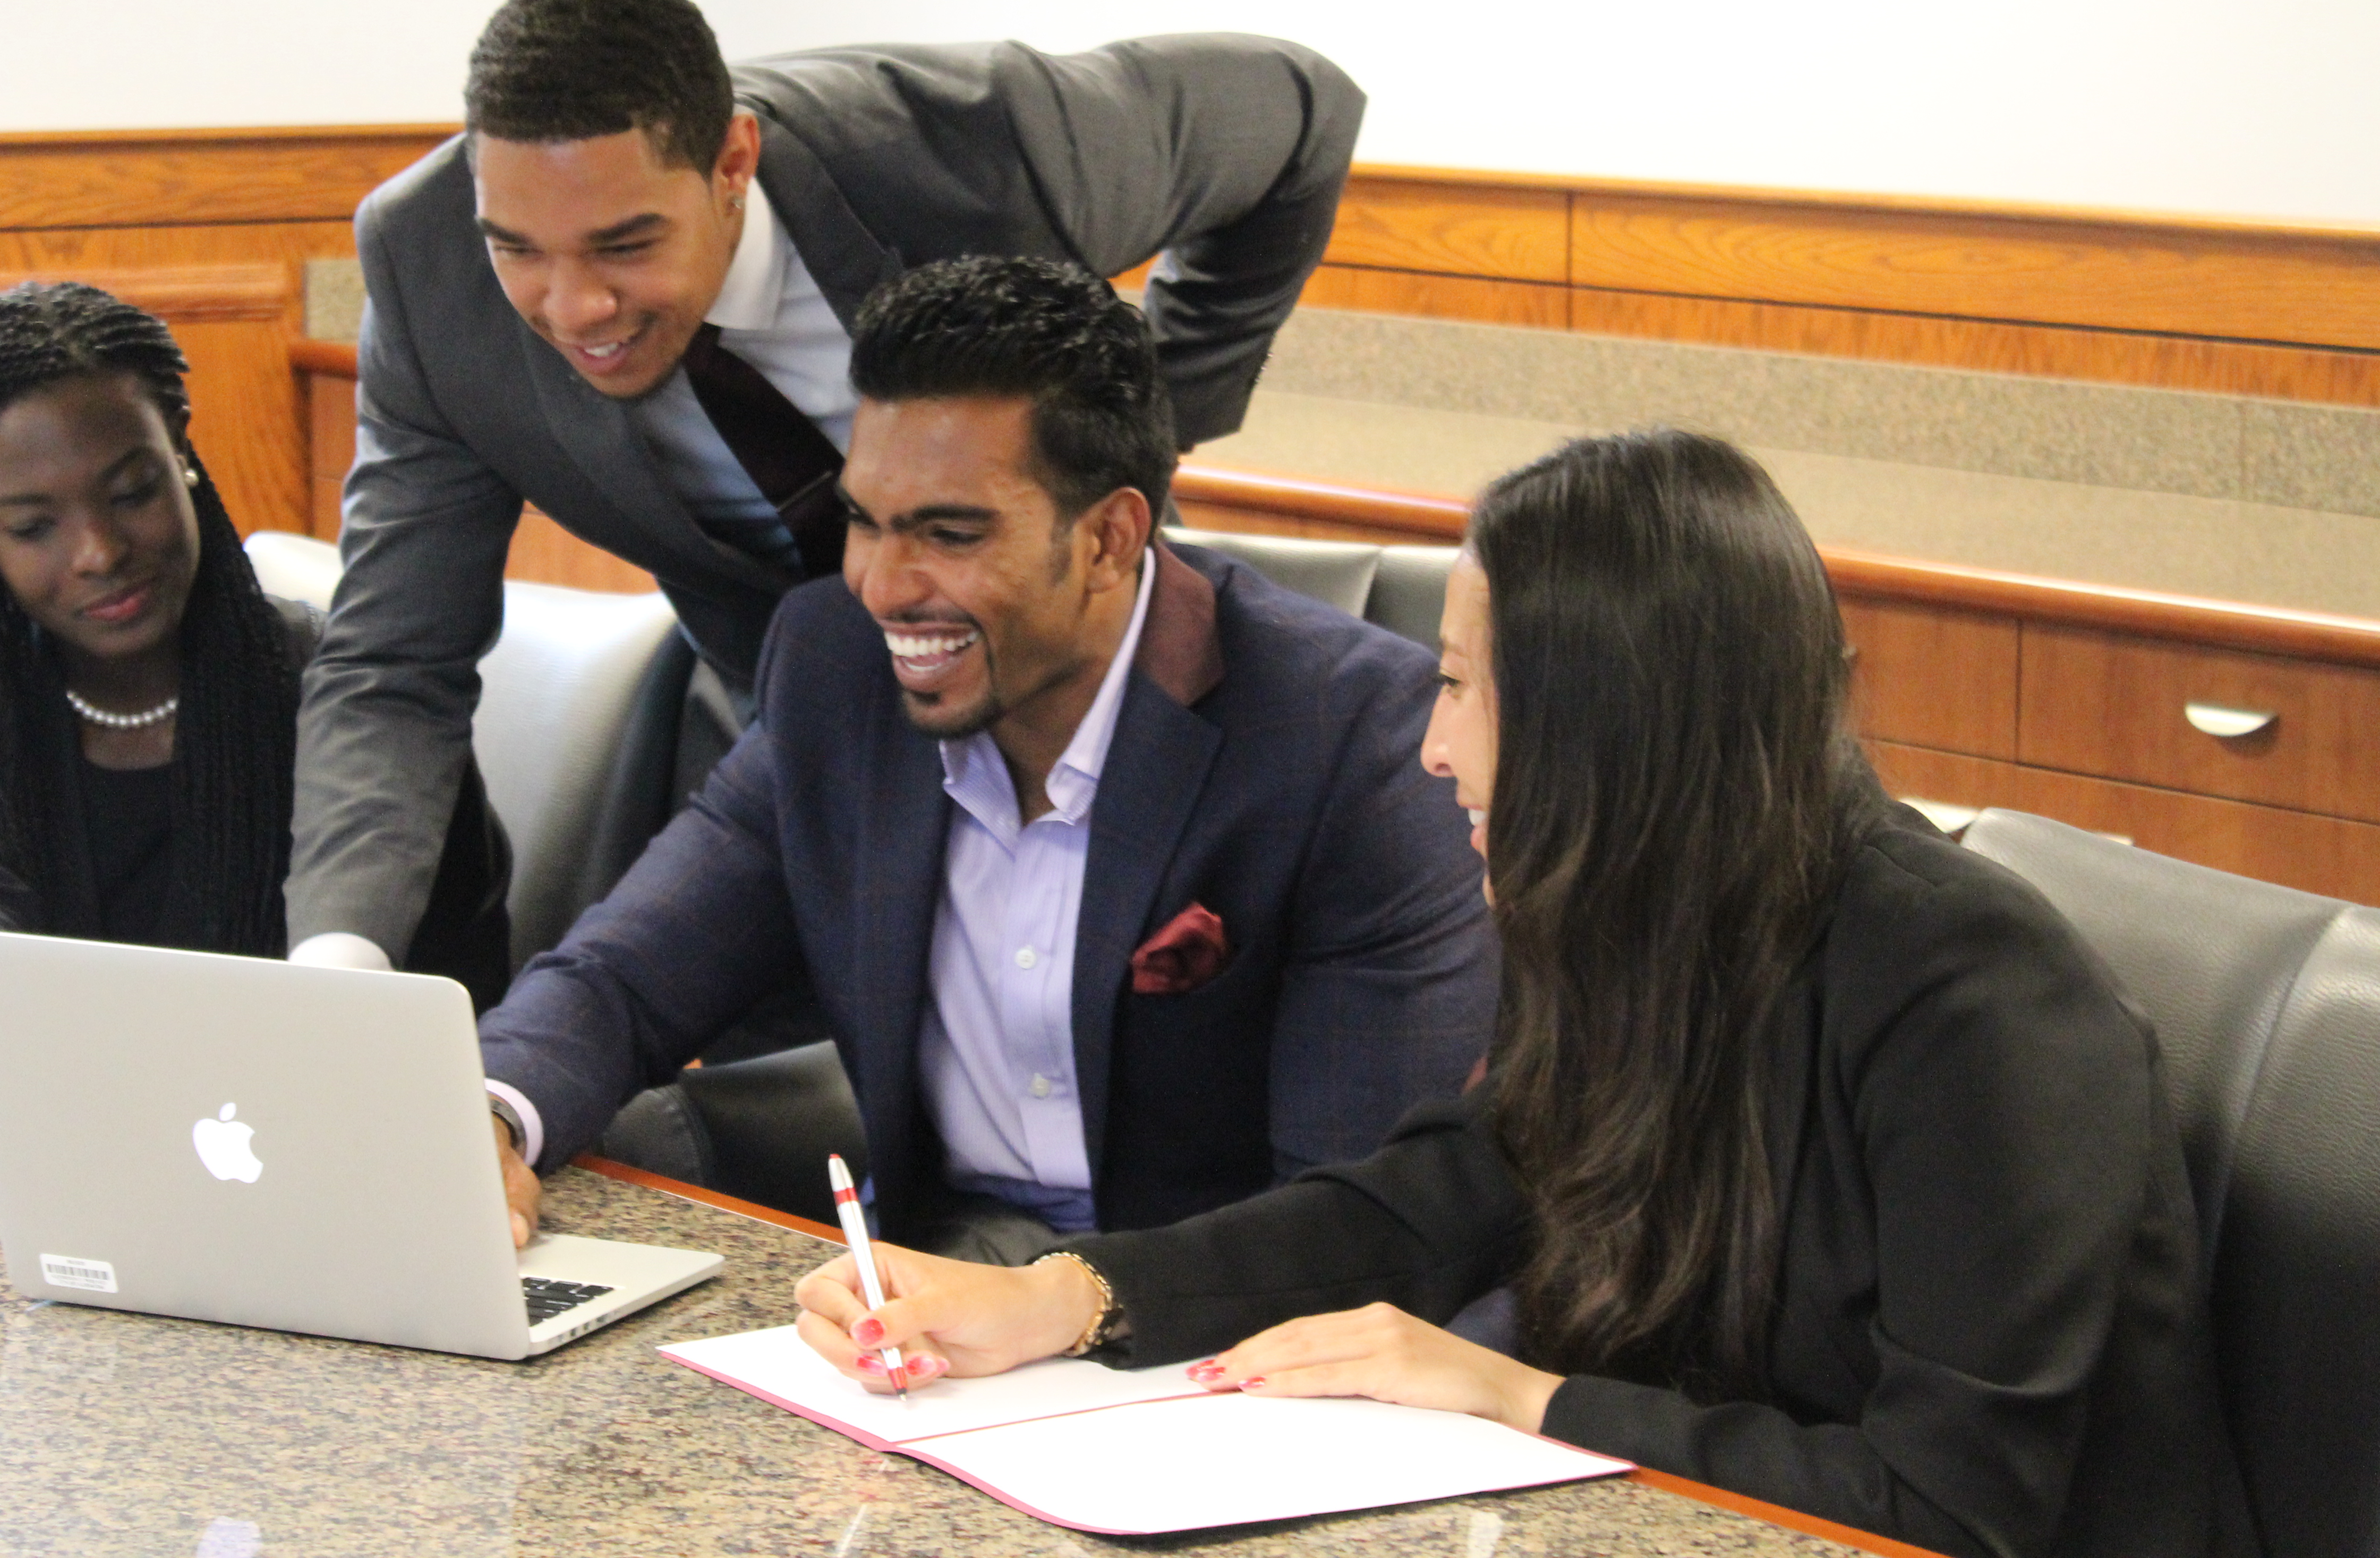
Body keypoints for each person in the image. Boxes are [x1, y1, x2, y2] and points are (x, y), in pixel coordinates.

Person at [794, 430, 2250, 1558]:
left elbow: (1951, 1507)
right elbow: (1440, 1198)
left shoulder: (1971, 1002)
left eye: (1466, 690)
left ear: (1608, 731)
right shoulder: (1645, 915)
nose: (1434, 751)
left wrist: (1520, 1400)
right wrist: (1069, 1294)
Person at [287, 0, 1366, 980]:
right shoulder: (427, 271)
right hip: (797, 741)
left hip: (1082, 710)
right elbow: (393, 660)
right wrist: (338, 964)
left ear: (733, 166)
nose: (572, 309)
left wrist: (1147, 420)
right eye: (518, 249)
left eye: (624, 245)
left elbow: (1302, 112)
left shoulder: (987, 143)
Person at [480, 256, 1496, 1261]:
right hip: (921, 1281)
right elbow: (629, 976)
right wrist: (487, 1120)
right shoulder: (834, 668)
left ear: (1108, 540)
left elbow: (1352, 1226)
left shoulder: (1354, 748)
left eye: (950, 535)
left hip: (1212, 1322)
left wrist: (1057, 1314)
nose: (883, 586)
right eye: (865, 523)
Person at [0, 283, 513, 1108]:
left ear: (184, 457)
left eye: (133, 492)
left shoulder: (351, 692)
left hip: (329, 1126)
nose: (98, 552)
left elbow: (461, 979)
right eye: (33, 527)